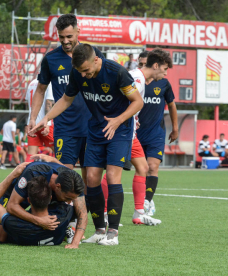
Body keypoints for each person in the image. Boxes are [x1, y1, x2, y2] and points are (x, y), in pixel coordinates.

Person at [31, 44, 144, 245]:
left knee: (111, 176)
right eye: (80, 72)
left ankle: (113, 233)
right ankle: (99, 230)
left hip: (119, 130)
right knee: (91, 178)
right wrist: (46, 118)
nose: (84, 75)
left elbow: (137, 102)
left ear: (96, 60)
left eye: (87, 71)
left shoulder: (117, 72)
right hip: (95, 129)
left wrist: (117, 120)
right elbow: (65, 99)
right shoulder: (78, 74)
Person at [28, 14, 105, 182]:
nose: (65, 41)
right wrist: (33, 118)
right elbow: (40, 90)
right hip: (65, 128)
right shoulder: (51, 58)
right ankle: (66, 209)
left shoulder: (94, 53)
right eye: (61, 37)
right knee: (64, 177)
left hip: (92, 126)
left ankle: (88, 209)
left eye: (69, 36)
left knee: (91, 179)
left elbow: (105, 85)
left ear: (78, 31)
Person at [100, 50, 171, 225]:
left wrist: (133, 119)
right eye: (164, 69)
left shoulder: (140, 79)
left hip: (129, 130)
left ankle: (139, 213)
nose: (166, 73)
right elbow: (115, 102)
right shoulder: (136, 79)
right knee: (112, 172)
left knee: (143, 167)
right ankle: (103, 212)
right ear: (155, 66)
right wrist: (122, 120)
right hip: (120, 132)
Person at [0, 155, 87, 249]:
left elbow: (82, 213)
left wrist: (75, 243)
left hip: (45, 196)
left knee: (75, 207)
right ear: (57, 187)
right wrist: (39, 221)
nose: (70, 201)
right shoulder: (33, 173)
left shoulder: (73, 182)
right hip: (18, 193)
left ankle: (67, 229)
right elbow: (12, 206)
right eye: (68, 198)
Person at [134, 50, 177, 216]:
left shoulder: (163, 84)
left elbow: (172, 105)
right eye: (141, 63)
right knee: (140, 169)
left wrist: (175, 128)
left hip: (156, 133)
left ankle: (147, 201)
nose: (144, 66)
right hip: (136, 133)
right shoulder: (135, 81)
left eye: (146, 63)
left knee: (152, 166)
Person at [26, 79, 55, 160]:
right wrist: (47, 122)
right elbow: (48, 104)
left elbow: (29, 102)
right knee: (60, 153)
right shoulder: (49, 83)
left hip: (32, 123)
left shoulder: (31, 83)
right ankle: (63, 172)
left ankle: (26, 172)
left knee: (31, 156)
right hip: (44, 123)